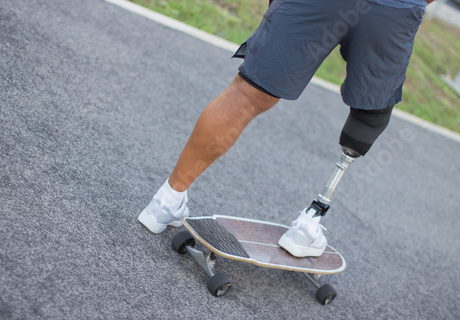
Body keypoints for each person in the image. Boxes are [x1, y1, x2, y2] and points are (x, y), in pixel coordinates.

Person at [138, 0, 433, 257]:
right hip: (395, 7)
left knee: (247, 93)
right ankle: (307, 226)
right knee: (372, 110)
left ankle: (167, 200)